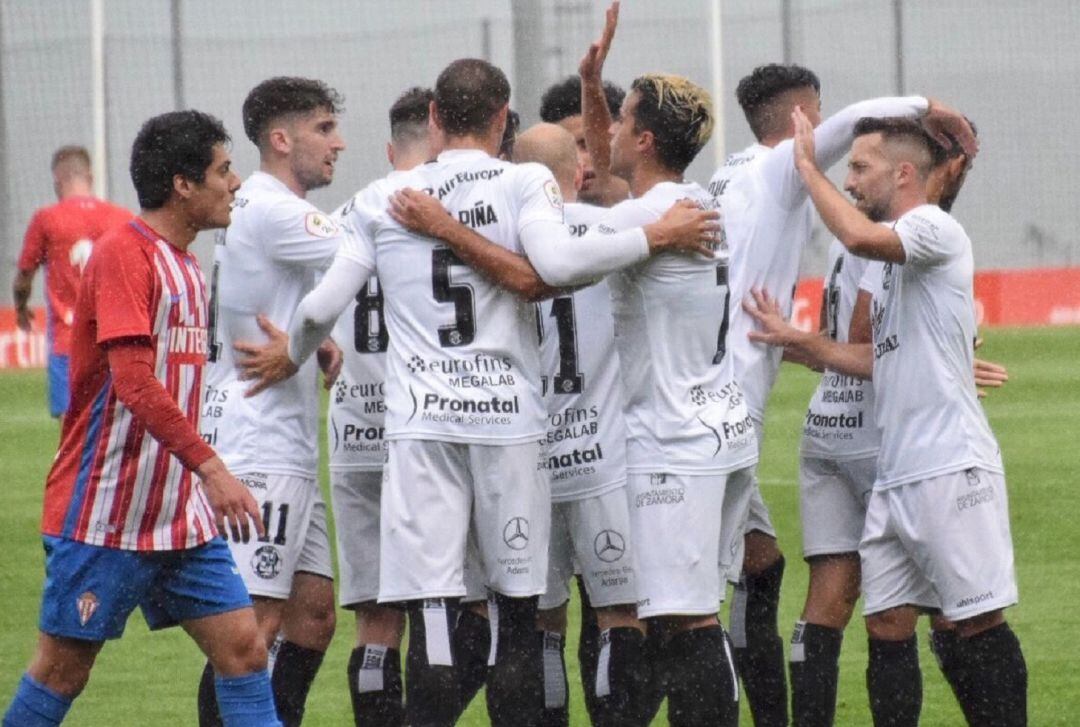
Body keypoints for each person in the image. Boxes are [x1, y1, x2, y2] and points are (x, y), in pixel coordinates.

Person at [238, 57, 717, 726]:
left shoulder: (383, 198)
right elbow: (555, 266)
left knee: (433, 613)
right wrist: (655, 235)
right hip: (510, 425)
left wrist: (289, 353)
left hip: (423, 429)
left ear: (434, 117)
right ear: (501, 120)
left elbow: (321, 304)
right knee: (521, 614)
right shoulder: (523, 182)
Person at [707, 62, 977, 727]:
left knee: (824, 600)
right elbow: (866, 344)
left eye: (859, 167)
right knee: (940, 610)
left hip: (823, 427)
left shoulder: (736, 185)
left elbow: (836, 336)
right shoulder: (878, 234)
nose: (851, 176)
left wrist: (791, 340)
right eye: (851, 164)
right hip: (882, 433)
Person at [744, 113, 1027, 727]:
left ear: (903, 174)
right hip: (897, 471)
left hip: (950, 463)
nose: (850, 180)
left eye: (860, 167)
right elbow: (873, 355)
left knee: (976, 618)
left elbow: (858, 239)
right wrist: (796, 341)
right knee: (886, 622)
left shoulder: (928, 226)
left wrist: (805, 168)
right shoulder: (898, 257)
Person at [0, 110, 281, 727]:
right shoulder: (126, 253)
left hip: (177, 516)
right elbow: (133, 382)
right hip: (104, 512)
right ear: (183, 184)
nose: (234, 183)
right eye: (223, 169)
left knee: (244, 651)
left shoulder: (184, 263)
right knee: (62, 671)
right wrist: (212, 467)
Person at [196, 77, 347, 727]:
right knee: (249, 629)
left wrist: (314, 338)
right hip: (260, 445)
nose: (337, 141)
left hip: (280, 439)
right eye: (323, 128)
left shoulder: (263, 210)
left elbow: (291, 298)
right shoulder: (275, 208)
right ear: (281, 140)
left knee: (312, 614)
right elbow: (368, 252)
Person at [502, 121, 642, 726]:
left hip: (524, 458)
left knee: (542, 624)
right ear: (578, 173)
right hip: (601, 455)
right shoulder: (613, 231)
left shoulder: (499, 241)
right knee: (619, 615)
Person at [326, 85, 441, 727]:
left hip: (354, 437)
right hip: (428, 430)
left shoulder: (340, 215)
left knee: (374, 619)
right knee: (442, 608)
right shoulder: (451, 212)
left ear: (389, 148)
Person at [13, 146, 131, 419]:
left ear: (57, 179)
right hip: (113, 340)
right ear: (90, 176)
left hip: (69, 340)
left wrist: (21, 308)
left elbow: (24, 277)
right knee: (109, 429)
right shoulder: (121, 218)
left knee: (72, 434)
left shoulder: (47, 219)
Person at [540, 73, 629, 206]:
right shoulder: (540, 220)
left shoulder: (662, 215)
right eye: (564, 150)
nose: (578, 160)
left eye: (587, 145)